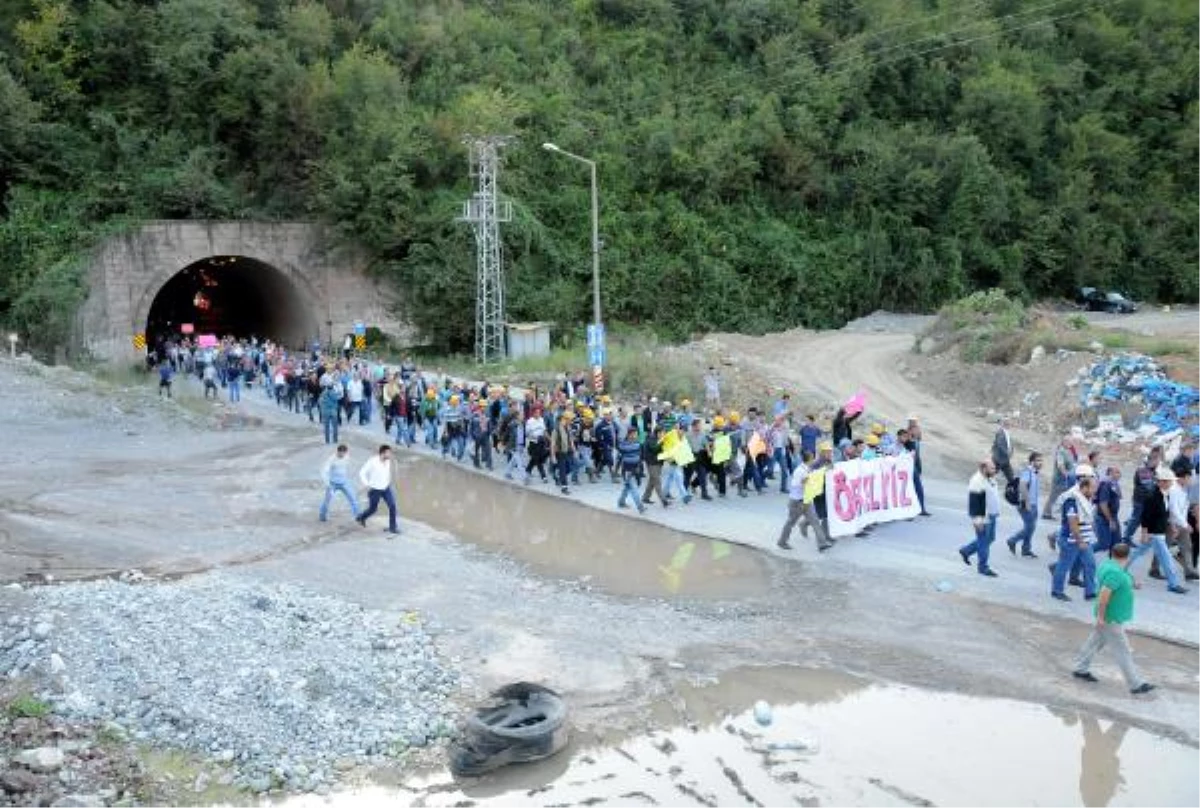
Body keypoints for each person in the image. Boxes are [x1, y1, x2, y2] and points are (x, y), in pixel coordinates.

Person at [1072, 543, 1155, 695]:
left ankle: (1080, 668)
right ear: (1128, 556)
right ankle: (1135, 684)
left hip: (1107, 617)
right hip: (1110, 618)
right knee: (1123, 650)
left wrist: (1132, 583)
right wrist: (1101, 618)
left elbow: (1120, 576)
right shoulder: (1116, 573)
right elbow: (1104, 594)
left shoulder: (1108, 564)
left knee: (1094, 642)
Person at [1128, 465, 1188, 594]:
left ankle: (1119, 568)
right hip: (1154, 533)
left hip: (1157, 532)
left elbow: (1165, 514)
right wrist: (1144, 533)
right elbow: (1145, 515)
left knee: (1138, 552)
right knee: (1166, 558)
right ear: (1163, 482)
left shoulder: (1164, 494)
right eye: (1170, 481)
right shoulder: (1153, 495)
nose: (1172, 483)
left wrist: (1172, 526)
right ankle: (1173, 584)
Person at [1050, 470, 1099, 602]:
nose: (1095, 490)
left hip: (1084, 539)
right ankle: (1057, 591)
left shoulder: (1086, 499)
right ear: (1084, 487)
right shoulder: (1072, 500)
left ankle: (1090, 592)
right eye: (1093, 488)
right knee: (1064, 566)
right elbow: (1073, 523)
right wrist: (1080, 540)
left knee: (1090, 564)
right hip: (1072, 540)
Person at [959, 459, 1000, 576]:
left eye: (994, 467)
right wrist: (978, 521)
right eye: (992, 468)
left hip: (992, 514)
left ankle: (966, 551)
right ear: (983, 468)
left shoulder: (989, 477)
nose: (995, 470)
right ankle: (983, 567)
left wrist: (996, 511)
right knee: (983, 542)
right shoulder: (977, 481)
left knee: (990, 538)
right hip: (982, 516)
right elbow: (975, 503)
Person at [357, 445, 399, 535]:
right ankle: (361, 517)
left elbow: (387, 473)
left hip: (386, 488)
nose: (390, 455)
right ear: (383, 453)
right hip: (375, 489)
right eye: (388, 453)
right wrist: (367, 484)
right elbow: (362, 472)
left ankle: (393, 528)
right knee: (373, 509)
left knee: (392, 506)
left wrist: (389, 482)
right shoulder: (373, 461)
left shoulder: (388, 461)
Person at [1006, 452, 1042, 558]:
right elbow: (1022, 486)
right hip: (1026, 504)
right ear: (1032, 462)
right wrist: (1027, 503)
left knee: (1030, 527)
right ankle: (1012, 540)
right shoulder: (1028, 472)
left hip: (1034, 504)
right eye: (1038, 460)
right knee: (1030, 527)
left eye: (1041, 461)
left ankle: (1026, 549)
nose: (1040, 463)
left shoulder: (1035, 472)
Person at [1122, 447, 1161, 542]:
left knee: (1141, 518)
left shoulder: (1152, 469)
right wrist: (1158, 484)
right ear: (1152, 460)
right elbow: (1149, 486)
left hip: (1146, 500)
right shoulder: (1143, 469)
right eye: (1157, 460)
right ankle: (1126, 538)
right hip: (1140, 500)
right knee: (1136, 520)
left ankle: (1138, 536)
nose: (1158, 463)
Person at [319, 444, 360, 523]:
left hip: (344, 482)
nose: (342, 455)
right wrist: (328, 484)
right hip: (332, 483)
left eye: (343, 453)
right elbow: (324, 472)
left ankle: (358, 516)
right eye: (340, 453)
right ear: (337, 452)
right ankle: (322, 516)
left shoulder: (347, 457)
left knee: (353, 498)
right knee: (327, 500)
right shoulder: (331, 459)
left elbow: (346, 467)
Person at [1043, 437, 1076, 520]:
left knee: (1063, 496)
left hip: (1067, 478)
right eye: (1068, 442)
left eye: (1071, 442)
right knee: (1054, 496)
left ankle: (1059, 513)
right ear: (1064, 442)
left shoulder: (1068, 451)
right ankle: (1047, 513)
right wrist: (1065, 474)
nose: (1070, 444)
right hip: (1060, 478)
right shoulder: (1061, 451)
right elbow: (1060, 464)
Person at [616, 427, 645, 514]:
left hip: (636, 469)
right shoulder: (623, 445)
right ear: (629, 434)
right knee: (633, 488)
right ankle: (640, 506)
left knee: (627, 487)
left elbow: (640, 457)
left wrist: (640, 468)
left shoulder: (638, 444)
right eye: (634, 434)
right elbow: (619, 458)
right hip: (627, 470)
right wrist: (616, 470)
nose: (636, 435)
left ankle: (621, 502)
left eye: (636, 434)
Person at [991, 416, 1015, 483]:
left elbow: (1010, 444)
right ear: (1004, 424)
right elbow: (1000, 444)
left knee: (1011, 477)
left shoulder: (1007, 433)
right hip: (998, 459)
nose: (1009, 424)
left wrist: (1011, 452)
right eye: (1008, 423)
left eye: (1010, 423)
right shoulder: (1000, 432)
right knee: (990, 476)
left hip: (1005, 459)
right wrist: (1007, 452)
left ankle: (1012, 490)